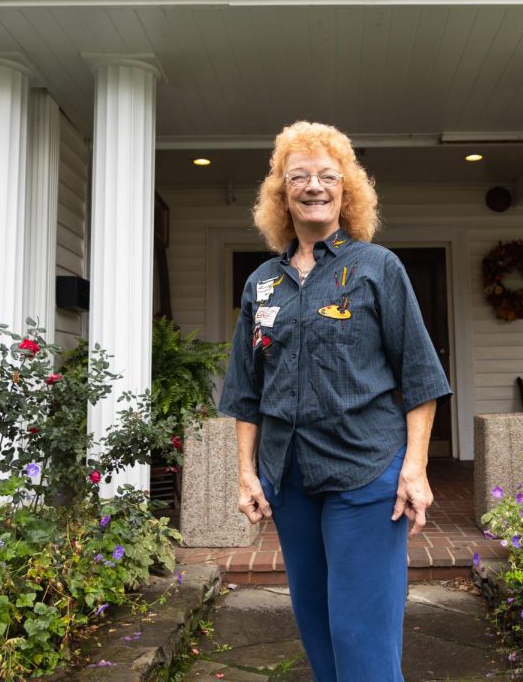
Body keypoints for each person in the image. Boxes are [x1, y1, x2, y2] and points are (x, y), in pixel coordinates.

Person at [218, 121, 451, 682]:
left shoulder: (377, 268)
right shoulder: (262, 285)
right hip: (290, 479)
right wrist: (248, 474)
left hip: (365, 475)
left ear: (347, 191)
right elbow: (246, 391)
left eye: (328, 176)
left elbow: (420, 377)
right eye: (299, 176)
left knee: (362, 637)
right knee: (318, 627)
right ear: (282, 193)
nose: (313, 186)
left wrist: (414, 469)